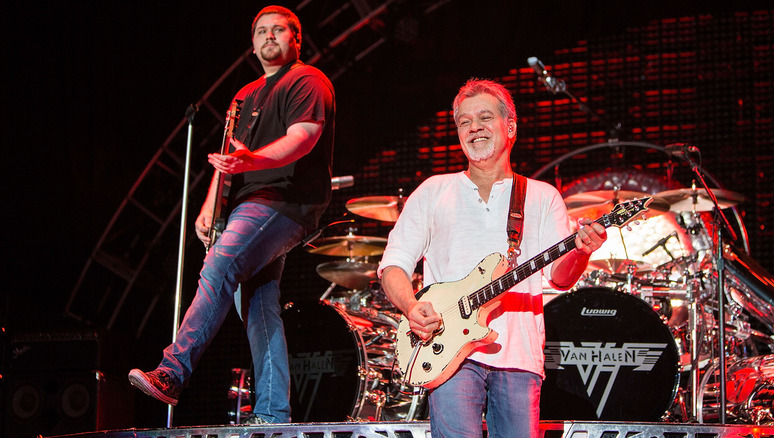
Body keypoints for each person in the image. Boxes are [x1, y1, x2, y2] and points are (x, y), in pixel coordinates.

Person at [128, 5, 335, 424]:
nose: (269, 36)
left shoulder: (308, 80)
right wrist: (209, 207)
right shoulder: (243, 95)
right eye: (261, 31)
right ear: (253, 42)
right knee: (259, 309)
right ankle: (274, 414)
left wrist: (252, 162)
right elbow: (228, 160)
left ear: (297, 38)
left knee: (218, 266)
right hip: (247, 203)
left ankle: (172, 371)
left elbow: (302, 139)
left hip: (284, 201)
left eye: (279, 29)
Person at [378, 79, 606, 437]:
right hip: (449, 353)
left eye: (485, 117)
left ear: (510, 127)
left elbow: (560, 278)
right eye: (464, 122)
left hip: (518, 356)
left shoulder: (542, 196)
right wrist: (410, 307)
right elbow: (393, 264)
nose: (474, 128)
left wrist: (581, 251)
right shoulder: (434, 191)